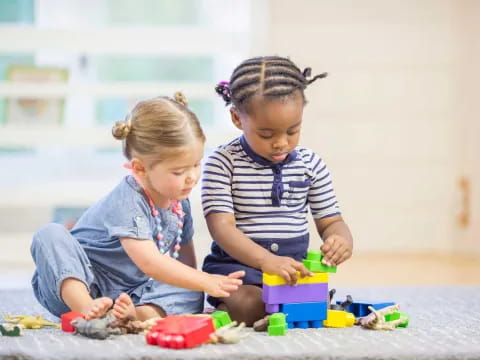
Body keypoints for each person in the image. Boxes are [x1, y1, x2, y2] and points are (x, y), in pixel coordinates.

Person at [30, 93, 244, 321]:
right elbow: (150, 262)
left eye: (196, 164)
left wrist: (198, 283)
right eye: (179, 171)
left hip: (129, 293)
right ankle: (87, 308)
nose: (192, 177)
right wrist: (206, 280)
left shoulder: (179, 199)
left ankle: (134, 315)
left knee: (191, 290)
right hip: (73, 284)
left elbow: (184, 261)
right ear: (140, 168)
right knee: (49, 234)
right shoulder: (129, 200)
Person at [201, 56, 353, 325]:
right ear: (237, 118)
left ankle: (282, 308)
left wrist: (341, 239)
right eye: (267, 134)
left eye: (292, 131)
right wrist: (265, 261)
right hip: (240, 269)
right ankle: (229, 309)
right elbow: (221, 228)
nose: (281, 143)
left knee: (316, 305)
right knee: (250, 304)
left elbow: (331, 221)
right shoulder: (223, 162)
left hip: (291, 271)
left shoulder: (311, 164)